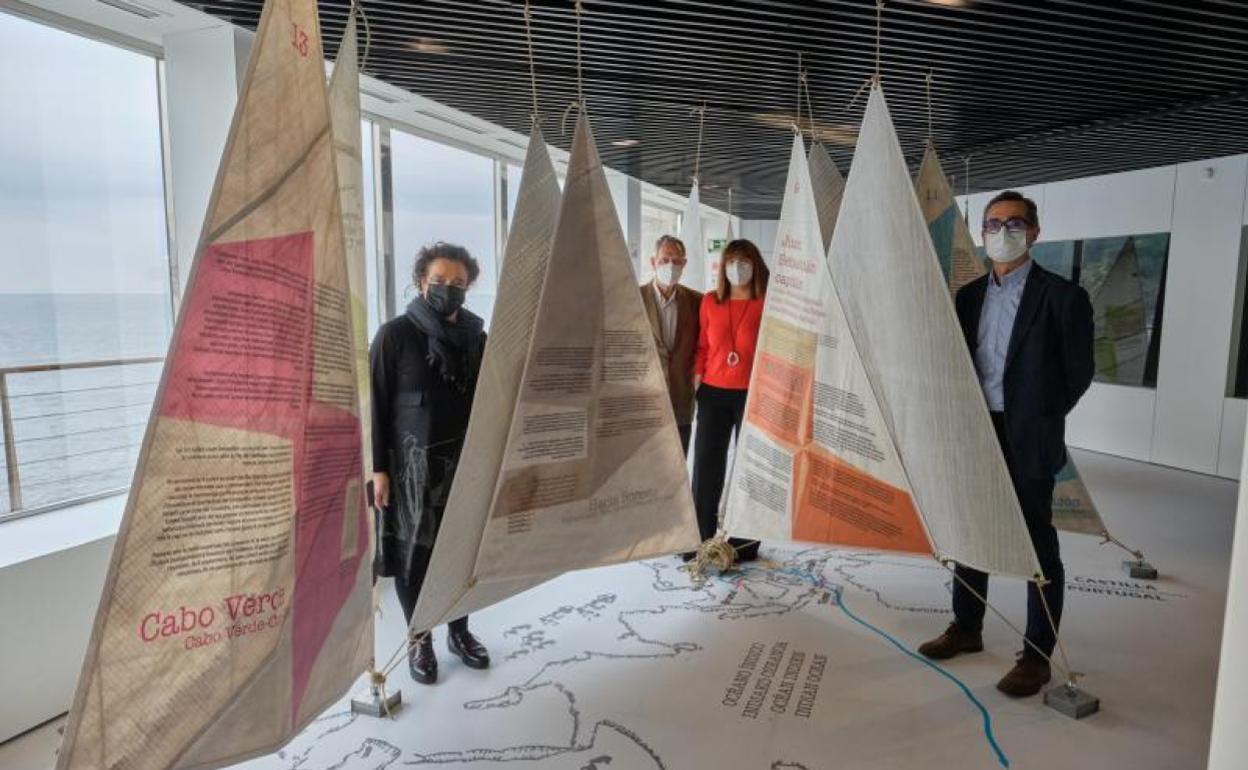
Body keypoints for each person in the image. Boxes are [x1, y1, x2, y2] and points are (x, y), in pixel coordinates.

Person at [918, 191, 1094, 698]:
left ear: (1034, 231)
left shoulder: (1063, 297)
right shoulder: (969, 296)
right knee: (971, 531)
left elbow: (1079, 373)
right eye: (993, 224)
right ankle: (966, 627)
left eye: (1014, 223)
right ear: (983, 234)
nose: (1002, 231)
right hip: (977, 433)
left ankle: (1037, 655)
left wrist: (1038, 413)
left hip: (1029, 436)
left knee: (1037, 544)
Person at [370, 242, 491, 685]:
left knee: (462, 554)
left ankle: (460, 631)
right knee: (413, 556)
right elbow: (377, 404)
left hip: (465, 466)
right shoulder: (394, 335)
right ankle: (420, 638)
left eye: (457, 283)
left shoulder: (478, 339)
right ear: (421, 281)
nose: (448, 289)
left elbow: (491, 398)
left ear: (469, 286)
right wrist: (377, 469)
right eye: (439, 281)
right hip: (410, 472)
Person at [689, 239, 769, 563]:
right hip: (713, 392)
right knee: (706, 467)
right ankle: (699, 538)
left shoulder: (767, 302)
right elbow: (702, 348)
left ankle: (745, 543)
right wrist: (697, 382)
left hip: (754, 394)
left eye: (745, 260)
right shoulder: (710, 302)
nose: (738, 267)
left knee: (751, 470)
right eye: (731, 261)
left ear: (755, 264)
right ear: (723, 266)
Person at [639, 235, 702, 454]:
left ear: (684, 264)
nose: (670, 266)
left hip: (680, 400)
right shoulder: (634, 298)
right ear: (653, 262)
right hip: (643, 401)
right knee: (644, 467)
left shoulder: (698, 302)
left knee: (678, 464)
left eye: (676, 261)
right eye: (665, 260)